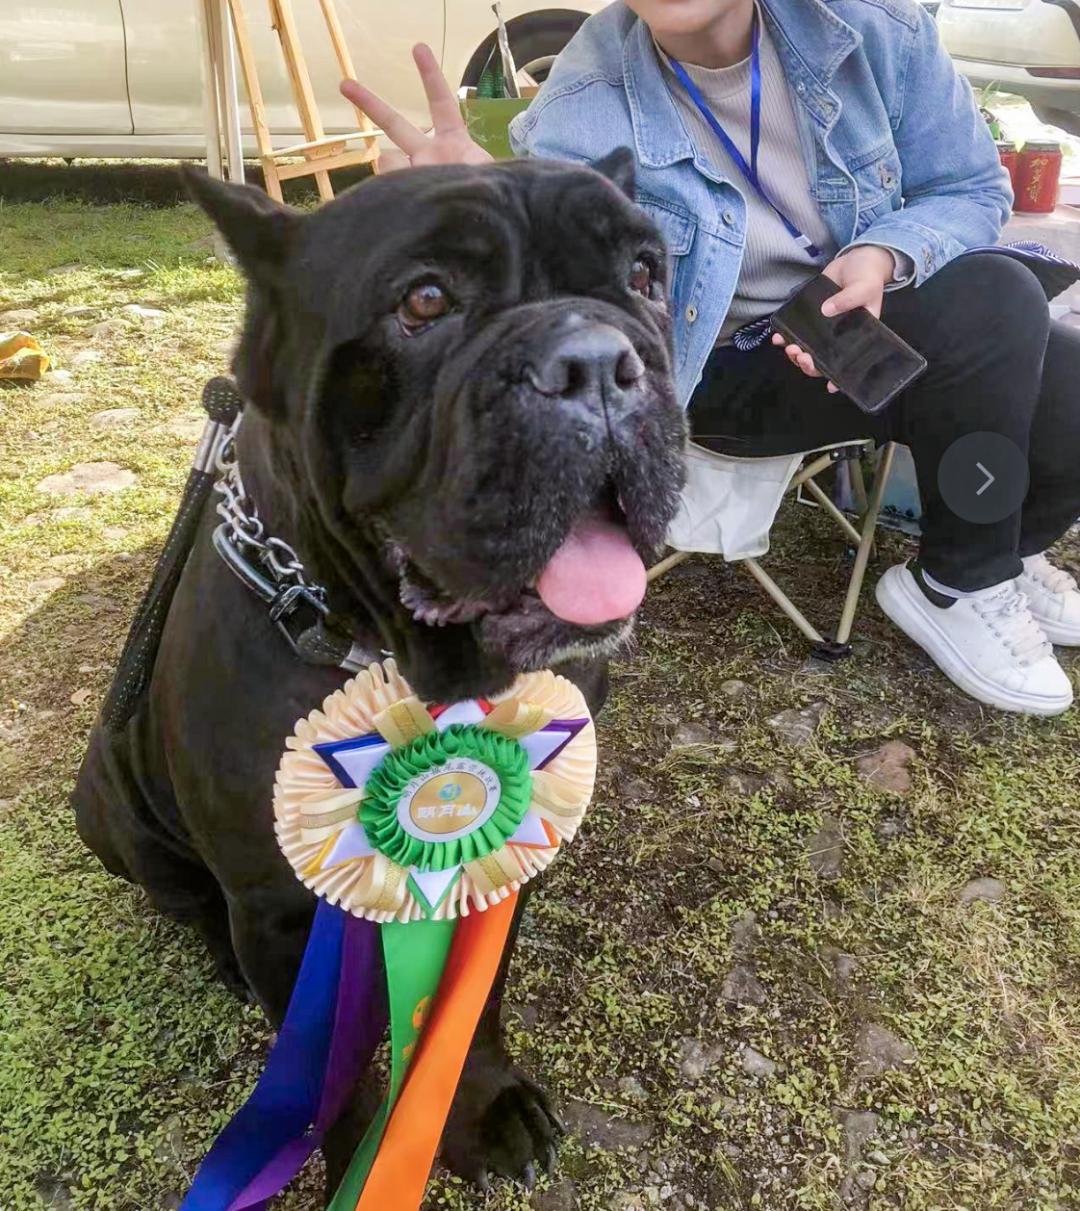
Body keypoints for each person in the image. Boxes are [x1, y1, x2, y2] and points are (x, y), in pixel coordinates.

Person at [340, 2, 1080, 717]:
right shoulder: (586, 101)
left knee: (1060, 358)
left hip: (866, 317)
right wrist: (483, 206)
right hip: (720, 366)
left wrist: (883, 253)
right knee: (996, 295)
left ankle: (1003, 548)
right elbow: (564, 291)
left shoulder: (874, 29)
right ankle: (959, 581)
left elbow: (970, 187)